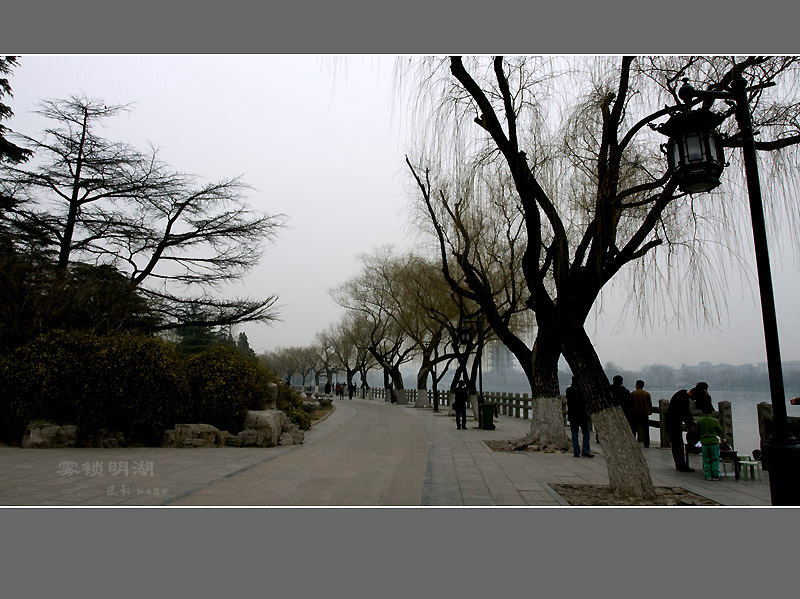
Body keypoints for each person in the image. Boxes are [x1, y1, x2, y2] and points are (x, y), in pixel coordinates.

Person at [665, 387, 698, 472]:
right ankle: (681, 465)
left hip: (671, 422)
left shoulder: (681, 393)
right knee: (678, 444)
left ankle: (680, 464)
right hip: (674, 423)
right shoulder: (684, 399)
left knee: (677, 444)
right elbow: (686, 413)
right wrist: (691, 425)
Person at [695, 403, 724, 481]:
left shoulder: (700, 421)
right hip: (713, 442)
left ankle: (708, 475)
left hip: (704, 442)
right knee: (715, 459)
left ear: (702, 411)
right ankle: (716, 475)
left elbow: (697, 430)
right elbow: (720, 430)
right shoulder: (714, 421)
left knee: (706, 459)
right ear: (711, 412)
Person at [565, 377, 593, 457]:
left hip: (572, 415)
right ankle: (585, 451)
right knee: (586, 433)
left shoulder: (568, 390)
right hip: (583, 415)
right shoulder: (583, 390)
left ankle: (576, 452)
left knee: (574, 433)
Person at [630, 379, 653, 448]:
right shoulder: (647, 394)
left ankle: (632, 442)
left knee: (634, 429)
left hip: (635, 413)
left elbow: (630, 403)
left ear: (637, 385)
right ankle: (647, 443)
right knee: (646, 429)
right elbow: (649, 404)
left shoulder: (633, 393)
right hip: (644, 414)